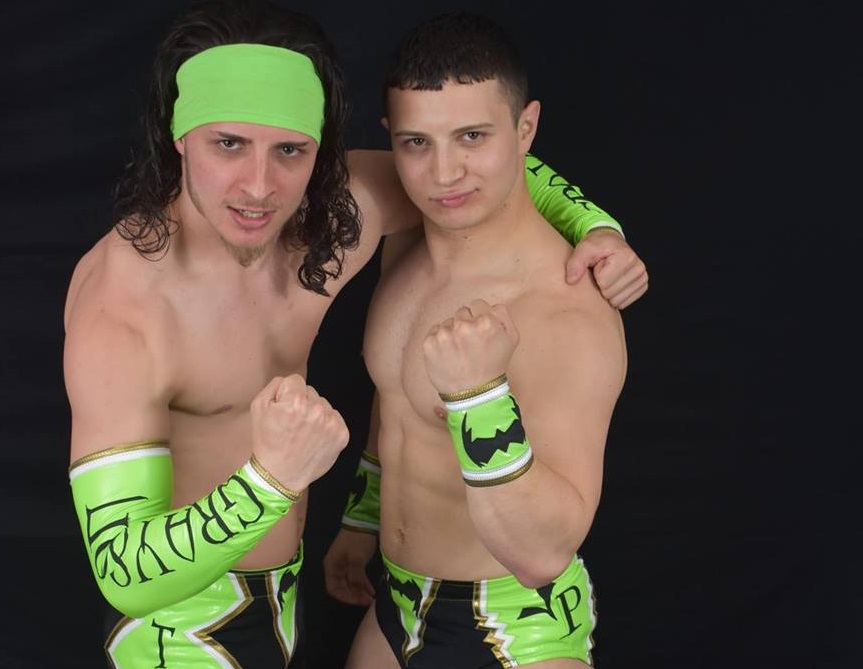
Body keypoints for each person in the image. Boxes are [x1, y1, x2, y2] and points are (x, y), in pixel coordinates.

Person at [63, 1, 645, 667]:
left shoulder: (337, 217)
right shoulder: (126, 307)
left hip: (307, 607)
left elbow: (464, 176)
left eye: (289, 149)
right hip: (179, 629)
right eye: (228, 144)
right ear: (179, 134)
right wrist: (269, 480)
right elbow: (125, 573)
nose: (259, 187)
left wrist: (593, 225)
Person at [325, 11, 629, 668]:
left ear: (525, 129)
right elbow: (396, 405)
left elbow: (543, 551)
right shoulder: (405, 245)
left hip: (514, 628)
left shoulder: (564, 310)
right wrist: (361, 520)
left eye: (471, 136)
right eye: (417, 142)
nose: (443, 173)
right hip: (397, 602)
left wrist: (479, 397)